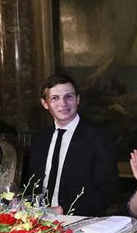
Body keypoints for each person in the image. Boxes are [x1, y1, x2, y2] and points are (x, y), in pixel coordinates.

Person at [28, 74, 118, 216]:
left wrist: (61, 210)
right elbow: (32, 185)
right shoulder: (40, 139)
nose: (63, 103)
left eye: (68, 97)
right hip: (37, 219)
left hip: (78, 220)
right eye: (55, 98)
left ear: (78, 99)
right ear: (45, 104)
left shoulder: (98, 139)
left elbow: (107, 192)